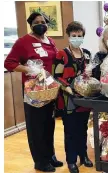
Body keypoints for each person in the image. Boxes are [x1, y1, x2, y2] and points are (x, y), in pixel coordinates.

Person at [4, 12, 63, 172]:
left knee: (48, 125)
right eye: (37, 22)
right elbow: (9, 63)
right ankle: (40, 161)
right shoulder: (23, 42)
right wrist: (31, 69)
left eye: (43, 21)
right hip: (34, 92)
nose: (40, 24)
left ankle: (50, 156)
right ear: (31, 24)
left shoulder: (49, 41)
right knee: (36, 127)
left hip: (49, 91)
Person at [52, 21, 93, 173]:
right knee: (70, 131)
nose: (76, 38)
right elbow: (56, 76)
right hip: (68, 100)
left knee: (83, 129)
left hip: (84, 99)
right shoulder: (62, 54)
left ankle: (84, 156)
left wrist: (90, 74)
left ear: (83, 37)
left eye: (79, 36)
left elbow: (90, 74)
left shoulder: (87, 54)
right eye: (73, 35)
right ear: (69, 36)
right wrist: (67, 87)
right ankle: (71, 161)